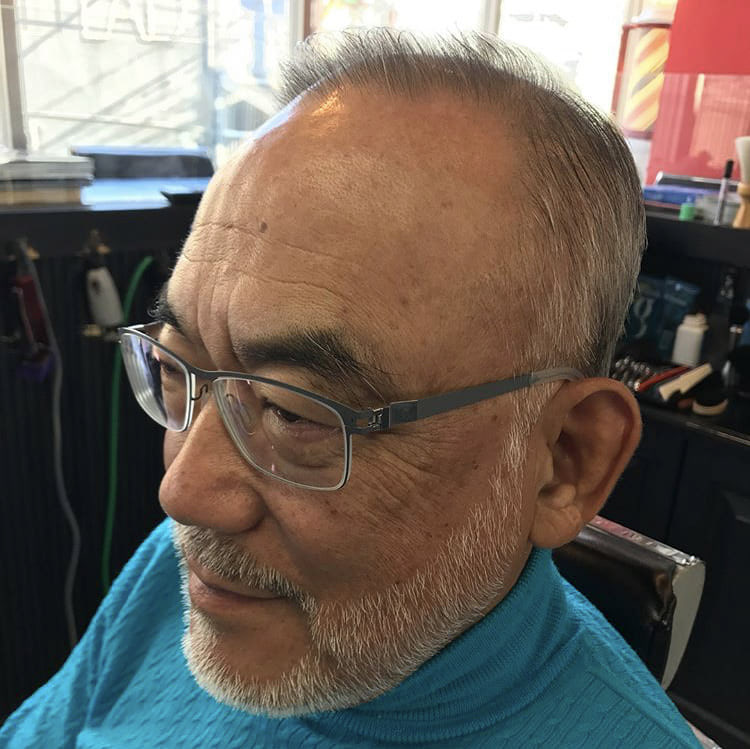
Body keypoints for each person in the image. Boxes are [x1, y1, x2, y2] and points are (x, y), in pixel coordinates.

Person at [1, 29, 701, 748]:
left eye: (291, 411)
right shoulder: (187, 577)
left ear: (564, 462)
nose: (182, 494)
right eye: (179, 370)